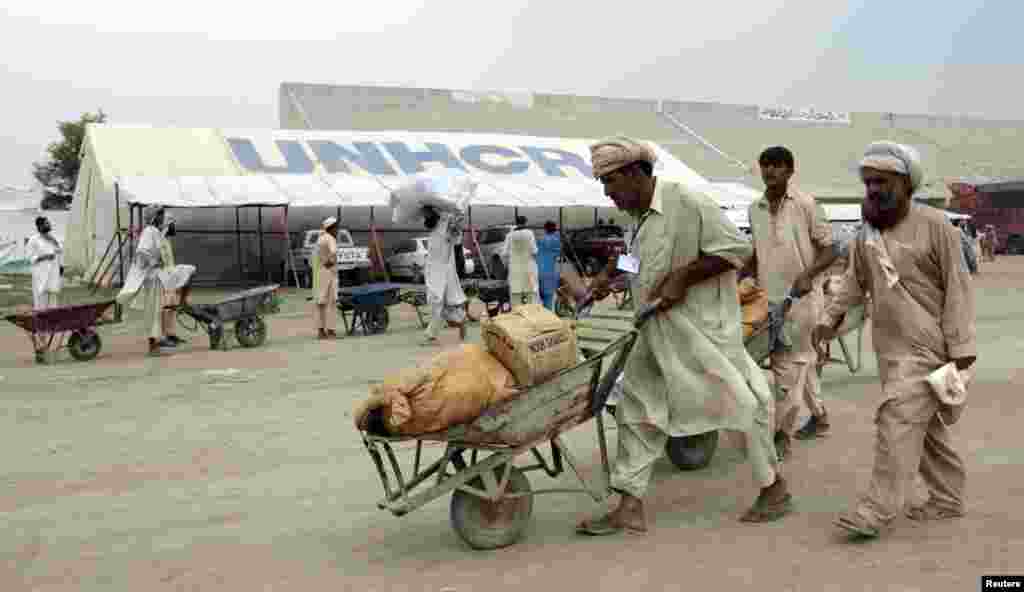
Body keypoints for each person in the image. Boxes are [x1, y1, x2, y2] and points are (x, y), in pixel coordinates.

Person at [576, 137, 791, 536]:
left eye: (610, 182)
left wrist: (683, 276)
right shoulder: (638, 219)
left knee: (741, 404)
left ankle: (774, 488)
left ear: (635, 173)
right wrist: (609, 277)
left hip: (699, 333)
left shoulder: (685, 201)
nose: (607, 193)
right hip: (652, 329)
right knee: (636, 410)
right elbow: (638, 261)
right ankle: (629, 505)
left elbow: (736, 250)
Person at [815, 141, 976, 539]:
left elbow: (958, 288)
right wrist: (828, 319)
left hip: (929, 347)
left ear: (906, 184)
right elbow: (853, 282)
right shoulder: (866, 233)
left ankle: (876, 510)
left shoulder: (937, 227)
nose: (873, 189)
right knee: (925, 427)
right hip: (890, 348)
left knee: (897, 419)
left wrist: (962, 349)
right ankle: (948, 497)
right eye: (868, 182)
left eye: (882, 182)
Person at [745, 146, 840, 457]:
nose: (770, 171)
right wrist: (739, 277)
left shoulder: (806, 204)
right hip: (767, 304)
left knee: (791, 369)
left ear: (790, 170)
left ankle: (782, 434)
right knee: (798, 366)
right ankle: (820, 417)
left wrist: (808, 275)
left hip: (802, 303)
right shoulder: (755, 208)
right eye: (765, 165)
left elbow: (831, 248)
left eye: (777, 165)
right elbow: (758, 253)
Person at [117, 205, 170, 356]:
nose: (162, 217)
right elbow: (141, 251)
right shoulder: (149, 231)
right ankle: (153, 346)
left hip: (156, 276)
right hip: (151, 277)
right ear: (154, 217)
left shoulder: (155, 232)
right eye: (160, 214)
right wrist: (153, 262)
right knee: (153, 311)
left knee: (156, 310)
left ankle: (156, 342)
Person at [422, 206, 467, 345]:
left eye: (427, 214)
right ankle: (460, 319)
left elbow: (456, 239)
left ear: (434, 215)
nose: (425, 218)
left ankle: (431, 335)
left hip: (442, 272)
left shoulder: (446, 227)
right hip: (432, 271)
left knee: (437, 302)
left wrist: (456, 225)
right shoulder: (433, 230)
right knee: (439, 304)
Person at [26, 216, 63, 361]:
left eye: (49, 223)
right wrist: (44, 257)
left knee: (52, 311)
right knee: (40, 311)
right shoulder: (33, 240)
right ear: (39, 226)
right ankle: (41, 343)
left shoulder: (52, 238)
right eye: (46, 224)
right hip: (40, 280)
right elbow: (30, 258)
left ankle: (49, 344)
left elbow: (59, 251)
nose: (49, 225)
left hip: (53, 280)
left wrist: (53, 241)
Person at [158, 215, 185, 347]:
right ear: (166, 225)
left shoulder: (167, 240)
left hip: (171, 278)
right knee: (165, 308)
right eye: (172, 224)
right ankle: (163, 336)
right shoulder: (160, 240)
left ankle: (171, 334)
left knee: (173, 307)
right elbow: (161, 261)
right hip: (164, 279)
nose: (174, 227)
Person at [501, 216, 539, 306]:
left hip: (515, 270)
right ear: (525, 223)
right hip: (528, 268)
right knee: (531, 295)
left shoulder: (509, 235)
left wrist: (508, 262)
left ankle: (517, 312)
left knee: (515, 296)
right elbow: (534, 251)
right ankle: (531, 312)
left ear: (516, 223)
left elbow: (504, 253)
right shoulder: (529, 233)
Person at [313, 217, 339, 339]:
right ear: (331, 228)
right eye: (336, 228)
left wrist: (324, 263)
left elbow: (315, 256)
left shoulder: (320, 239)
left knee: (320, 302)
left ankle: (320, 331)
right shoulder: (330, 238)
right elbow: (333, 251)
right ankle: (331, 331)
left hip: (320, 273)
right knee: (332, 302)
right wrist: (330, 262)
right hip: (330, 273)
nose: (337, 230)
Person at [537, 221, 562, 311]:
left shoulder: (540, 240)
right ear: (554, 229)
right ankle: (547, 314)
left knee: (540, 296)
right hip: (551, 271)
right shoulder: (557, 240)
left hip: (539, 270)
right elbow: (558, 255)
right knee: (548, 297)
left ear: (545, 229)